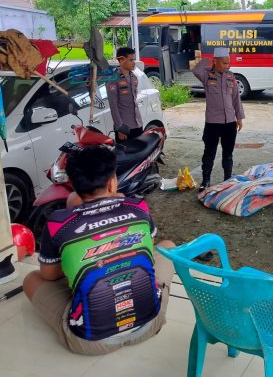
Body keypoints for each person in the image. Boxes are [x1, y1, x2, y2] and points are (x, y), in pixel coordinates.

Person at [22, 146, 174, 355]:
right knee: (167, 247)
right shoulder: (138, 207)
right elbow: (147, 247)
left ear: (74, 186)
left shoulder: (57, 224)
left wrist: (77, 259)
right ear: (113, 182)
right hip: (149, 325)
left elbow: (48, 275)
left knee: (31, 279)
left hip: (90, 343)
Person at [193, 47, 245, 190]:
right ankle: (205, 181)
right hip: (212, 123)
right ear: (215, 62)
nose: (227, 66)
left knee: (228, 154)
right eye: (224, 63)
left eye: (228, 63)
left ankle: (227, 180)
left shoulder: (231, 77)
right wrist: (207, 60)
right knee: (209, 153)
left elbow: (236, 99)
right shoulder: (207, 76)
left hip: (229, 123)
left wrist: (239, 117)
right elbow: (196, 70)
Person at [107, 47, 143, 141]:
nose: (133, 63)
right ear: (121, 60)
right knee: (126, 154)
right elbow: (113, 105)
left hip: (137, 123)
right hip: (124, 127)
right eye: (131, 60)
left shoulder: (134, 77)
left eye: (134, 60)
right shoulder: (113, 79)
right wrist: (120, 127)